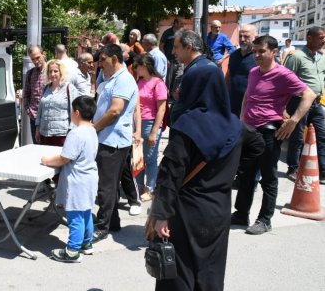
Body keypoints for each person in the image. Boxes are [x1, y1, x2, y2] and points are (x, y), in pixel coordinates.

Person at [150, 28, 244, 291]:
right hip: (218, 209)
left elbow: (170, 175)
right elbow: (257, 149)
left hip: (187, 211)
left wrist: (160, 216)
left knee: (180, 271)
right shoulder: (236, 126)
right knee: (211, 269)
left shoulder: (186, 127)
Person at [231, 35, 315, 235]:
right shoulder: (253, 72)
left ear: (274, 52)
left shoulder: (283, 74)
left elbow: (309, 95)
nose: (257, 55)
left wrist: (293, 121)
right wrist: (242, 118)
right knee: (245, 175)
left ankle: (265, 219)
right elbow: (247, 96)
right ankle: (241, 214)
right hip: (249, 130)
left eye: (262, 51)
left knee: (268, 176)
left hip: (268, 131)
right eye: (255, 51)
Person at [41, 95, 99, 263]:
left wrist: (46, 161)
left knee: (75, 217)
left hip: (77, 181)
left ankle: (72, 251)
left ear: (77, 112)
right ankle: (87, 244)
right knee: (86, 212)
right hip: (89, 178)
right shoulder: (92, 130)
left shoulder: (76, 133)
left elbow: (64, 158)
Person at [91, 44, 138, 243]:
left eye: (103, 59)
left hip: (113, 141)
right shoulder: (112, 79)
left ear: (115, 59)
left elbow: (115, 111)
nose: (99, 64)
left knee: (106, 187)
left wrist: (93, 128)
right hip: (108, 139)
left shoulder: (124, 80)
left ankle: (101, 227)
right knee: (110, 185)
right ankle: (113, 222)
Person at [284, 26, 325, 183]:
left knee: (322, 136)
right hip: (299, 102)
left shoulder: (321, 58)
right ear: (309, 38)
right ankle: (293, 168)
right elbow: (286, 81)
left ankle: (322, 170)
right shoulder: (297, 57)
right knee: (297, 136)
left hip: (316, 103)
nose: (323, 40)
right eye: (321, 37)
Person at [134, 54, 168, 201]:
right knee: (138, 157)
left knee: (150, 158)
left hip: (151, 123)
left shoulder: (158, 83)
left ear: (145, 66)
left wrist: (155, 131)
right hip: (139, 123)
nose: (135, 68)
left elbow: (161, 109)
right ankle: (139, 185)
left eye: (137, 66)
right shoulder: (139, 82)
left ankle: (151, 188)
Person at [35, 60, 79, 146]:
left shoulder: (69, 88)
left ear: (61, 72)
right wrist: (37, 128)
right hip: (45, 133)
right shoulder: (45, 88)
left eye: (55, 71)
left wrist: (72, 132)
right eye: (50, 71)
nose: (52, 74)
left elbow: (74, 112)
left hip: (62, 135)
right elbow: (40, 110)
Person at [228, 24, 257, 117]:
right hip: (233, 107)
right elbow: (229, 76)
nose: (242, 39)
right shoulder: (233, 55)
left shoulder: (260, 57)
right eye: (240, 36)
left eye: (246, 36)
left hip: (253, 108)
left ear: (255, 38)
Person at [23, 45, 47, 143]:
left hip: (48, 116)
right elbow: (26, 94)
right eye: (33, 59)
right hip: (34, 116)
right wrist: (28, 110)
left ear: (43, 54)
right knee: (37, 146)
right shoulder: (30, 73)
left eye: (38, 58)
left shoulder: (52, 71)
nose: (36, 61)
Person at [160, 17, 184, 100]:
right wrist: (165, 58)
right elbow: (161, 46)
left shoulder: (182, 34)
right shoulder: (167, 33)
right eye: (181, 23)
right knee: (169, 79)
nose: (182, 25)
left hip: (180, 60)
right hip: (170, 60)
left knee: (179, 77)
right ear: (175, 23)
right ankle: (167, 95)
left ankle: (175, 95)